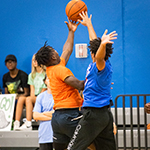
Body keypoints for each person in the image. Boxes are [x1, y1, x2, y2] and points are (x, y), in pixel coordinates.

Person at [67, 11, 117, 150]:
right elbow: (94, 43)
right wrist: (89, 24)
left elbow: (99, 55)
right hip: (104, 115)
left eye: (92, 52)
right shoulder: (100, 63)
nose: (90, 52)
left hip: (93, 114)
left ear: (95, 53)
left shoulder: (101, 65)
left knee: (73, 148)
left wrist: (102, 45)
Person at [35, 19, 87, 150]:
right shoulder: (60, 70)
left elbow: (67, 50)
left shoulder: (51, 68)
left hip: (57, 119)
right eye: (54, 51)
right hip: (70, 116)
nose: (57, 51)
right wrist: (98, 81)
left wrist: (71, 31)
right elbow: (80, 85)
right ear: (53, 57)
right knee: (88, 145)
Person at [13, 54, 47, 131]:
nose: (34, 62)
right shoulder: (31, 75)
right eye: (33, 60)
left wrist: (33, 99)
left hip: (43, 97)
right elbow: (32, 91)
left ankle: (28, 124)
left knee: (28, 99)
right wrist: (32, 98)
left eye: (36, 60)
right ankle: (17, 122)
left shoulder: (45, 74)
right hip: (34, 97)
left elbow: (44, 91)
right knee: (21, 99)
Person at [3, 54, 30, 121]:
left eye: (12, 62)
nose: (10, 64)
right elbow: (6, 93)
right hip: (10, 101)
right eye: (8, 62)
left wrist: (16, 98)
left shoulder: (23, 75)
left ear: (16, 63)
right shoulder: (5, 77)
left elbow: (26, 93)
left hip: (21, 99)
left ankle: (17, 122)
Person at [33, 75, 54, 150]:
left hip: (58, 134)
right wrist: (52, 115)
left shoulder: (61, 96)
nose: (51, 80)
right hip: (44, 135)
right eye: (48, 79)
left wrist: (42, 114)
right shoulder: (40, 97)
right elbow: (35, 116)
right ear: (45, 81)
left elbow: (58, 114)